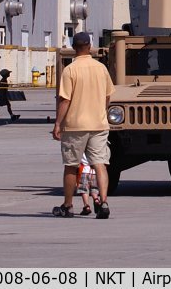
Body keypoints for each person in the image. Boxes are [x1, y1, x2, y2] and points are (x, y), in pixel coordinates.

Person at [52, 31, 113, 219]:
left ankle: (68, 206)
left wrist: (57, 124)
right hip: (98, 124)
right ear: (90, 46)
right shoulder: (101, 68)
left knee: (71, 166)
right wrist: (100, 111)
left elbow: (65, 100)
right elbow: (108, 95)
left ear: (73, 47)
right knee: (100, 164)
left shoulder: (70, 70)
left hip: (75, 125)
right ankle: (103, 203)